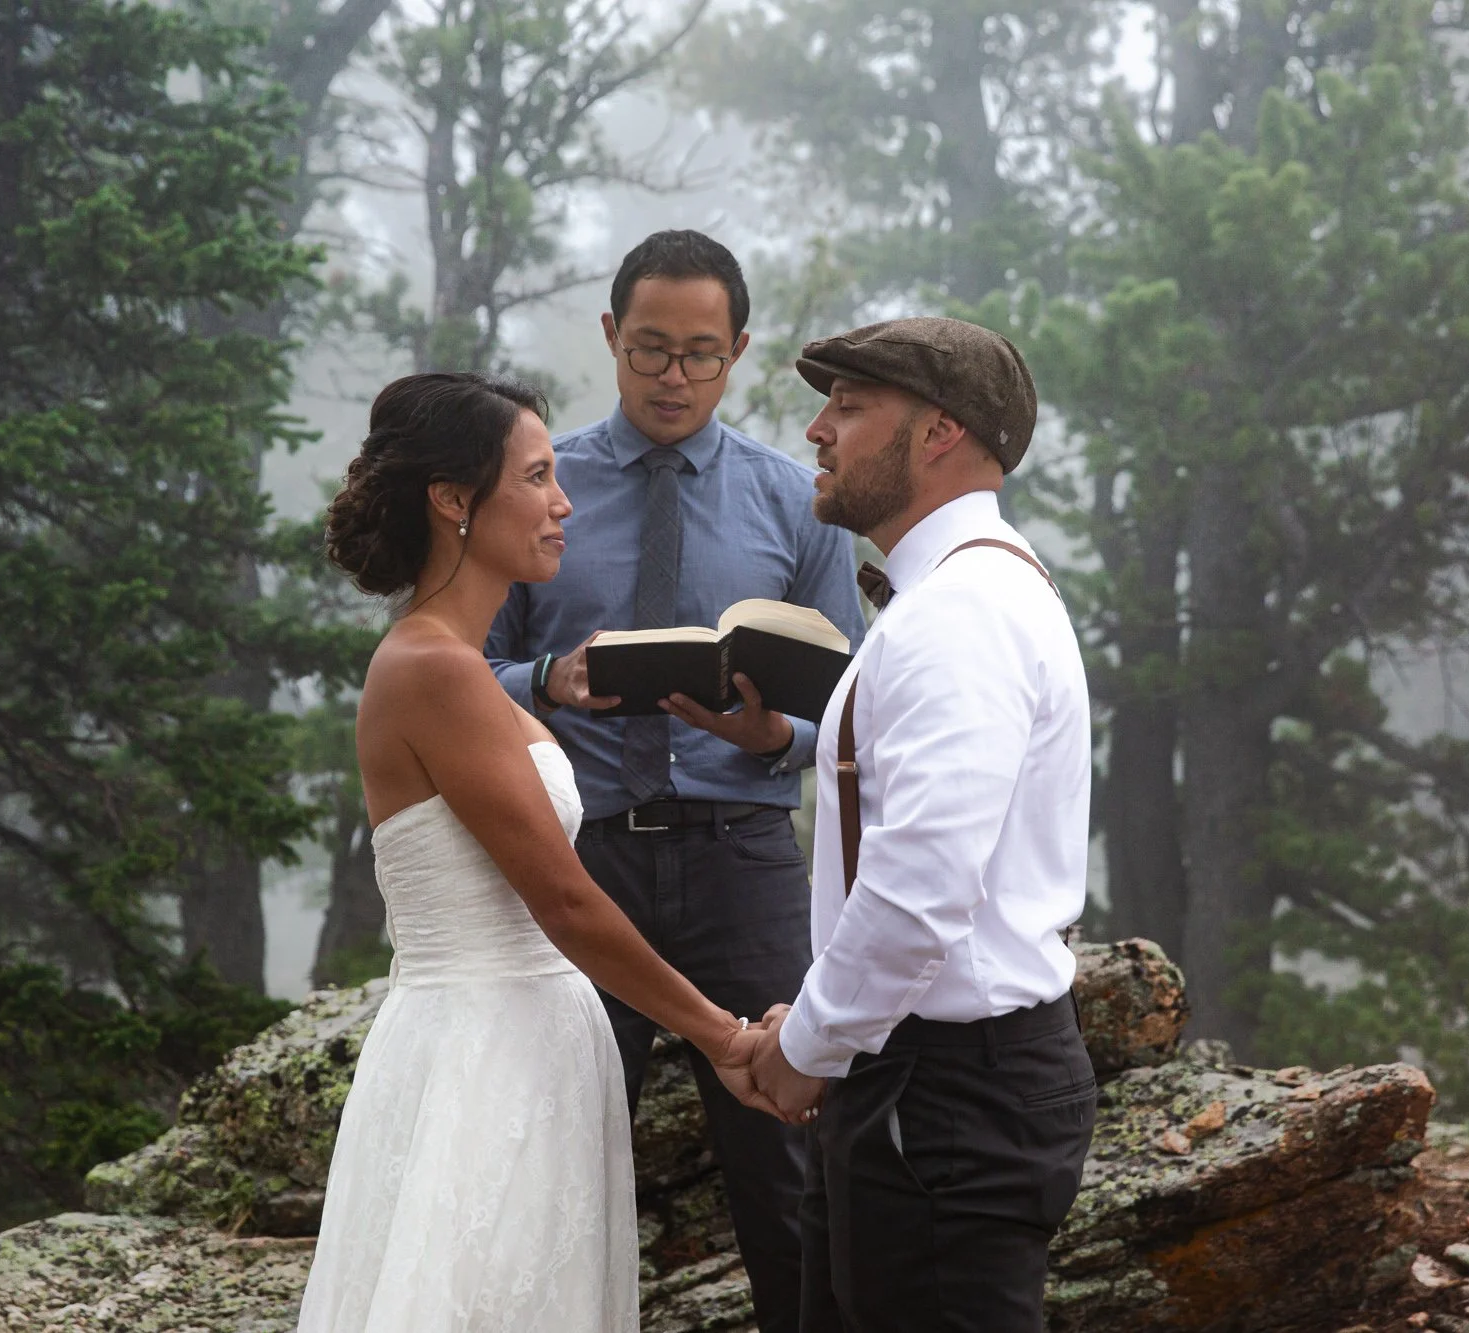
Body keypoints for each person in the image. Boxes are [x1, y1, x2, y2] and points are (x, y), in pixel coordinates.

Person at [296, 371, 775, 1333]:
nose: (565, 503)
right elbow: (563, 901)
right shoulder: (435, 669)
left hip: (529, 1046)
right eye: (539, 477)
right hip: (481, 1058)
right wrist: (724, 1036)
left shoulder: (461, 667)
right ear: (453, 500)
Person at [483, 229, 866, 1333]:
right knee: (547, 1167)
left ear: (738, 351)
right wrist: (545, 680)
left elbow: (842, 709)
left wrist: (766, 735)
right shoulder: (540, 490)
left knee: (788, 1174)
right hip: (578, 860)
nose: (673, 376)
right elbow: (465, 669)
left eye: (701, 353)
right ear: (609, 336)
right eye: (650, 348)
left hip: (741, 862)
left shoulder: (798, 502)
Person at [748, 317, 1099, 1332]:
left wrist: (807, 1044)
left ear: (940, 431)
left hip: (945, 1095)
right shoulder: (952, 597)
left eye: (850, 406)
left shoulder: (963, 613)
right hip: (915, 1081)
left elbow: (918, 891)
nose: (818, 429)